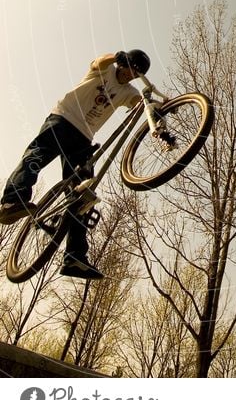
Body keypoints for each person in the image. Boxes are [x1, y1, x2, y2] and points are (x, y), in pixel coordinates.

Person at [0, 50, 150, 280]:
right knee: (37, 157)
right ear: (124, 64)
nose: (131, 76)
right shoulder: (105, 70)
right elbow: (100, 61)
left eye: (136, 75)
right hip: (63, 119)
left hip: (84, 138)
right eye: (131, 69)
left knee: (82, 197)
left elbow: (138, 102)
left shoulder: (128, 91)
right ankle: (12, 200)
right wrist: (116, 56)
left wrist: (156, 104)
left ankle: (75, 257)